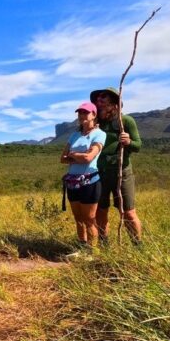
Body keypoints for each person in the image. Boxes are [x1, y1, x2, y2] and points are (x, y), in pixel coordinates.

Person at [90, 87, 142, 243]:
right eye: (97, 100)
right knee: (101, 210)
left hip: (122, 173)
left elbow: (138, 146)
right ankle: (104, 243)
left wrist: (129, 142)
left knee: (128, 213)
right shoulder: (95, 123)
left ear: (114, 103)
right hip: (100, 173)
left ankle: (137, 245)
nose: (99, 102)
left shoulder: (126, 121)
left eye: (103, 99)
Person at [60, 102, 106, 249]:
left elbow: (89, 158)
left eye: (85, 112)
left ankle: (93, 252)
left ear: (94, 115)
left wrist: (73, 155)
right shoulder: (74, 135)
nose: (81, 116)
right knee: (78, 218)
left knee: (89, 219)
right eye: (79, 113)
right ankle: (82, 247)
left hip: (90, 182)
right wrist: (78, 155)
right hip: (73, 183)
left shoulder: (99, 134)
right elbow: (62, 158)